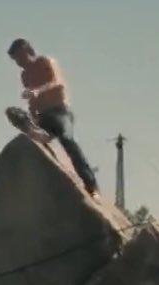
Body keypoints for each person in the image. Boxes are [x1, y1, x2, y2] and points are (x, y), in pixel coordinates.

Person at [7, 38, 100, 199]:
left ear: (28, 51)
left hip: (60, 112)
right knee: (20, 117)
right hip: (43, 116)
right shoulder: (25, 76)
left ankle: (91, 185)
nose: (19, 63)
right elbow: (32, 100)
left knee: (67, 139)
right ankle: (37, 132)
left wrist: (37, 91)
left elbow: (57, 82)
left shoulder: (46, 61)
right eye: (16, 61)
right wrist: (32, 113)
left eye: (20, 58)